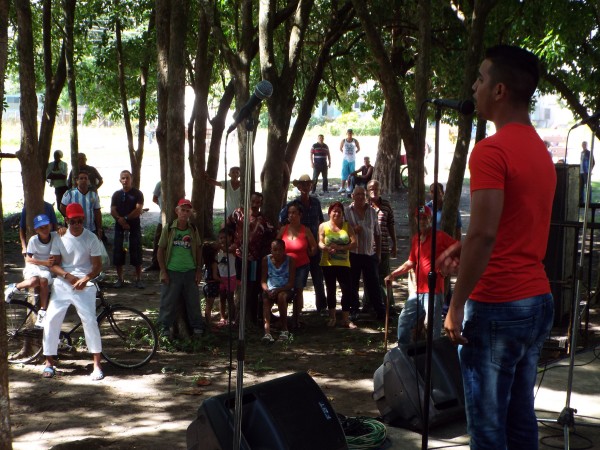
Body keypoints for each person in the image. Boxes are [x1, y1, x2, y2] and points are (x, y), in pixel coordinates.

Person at [442, 45, 556, 449]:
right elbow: (512, 225)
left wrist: (456, 307)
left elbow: (486, 234)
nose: (473, 87)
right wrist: (464, 243)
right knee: (520, 419)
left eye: (480, 79)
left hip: (499, 306)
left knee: (489, 430)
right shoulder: (540, 151)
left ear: (500, 91)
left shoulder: (490, 150)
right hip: (536, 300)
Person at [42, 203, 104, 380]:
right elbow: (54, 264)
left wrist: (85, 278)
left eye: (80, 221)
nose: (77, 224)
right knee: (52, 318)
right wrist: (67, 276)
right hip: (63, 283)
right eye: (73, 221)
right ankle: (49, 362)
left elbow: (97, 265)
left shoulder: (90, 237)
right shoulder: (59, 237)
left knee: (90, 320)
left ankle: (97, 364)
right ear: (67, 220)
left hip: (85, 284)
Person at [385, 206, 459, 344]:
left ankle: (434, 358)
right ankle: (404, 353)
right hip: (418, 290)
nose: (422, 220)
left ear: (430, 219)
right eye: (419, 218)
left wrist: (445, 263)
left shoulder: (440, 236)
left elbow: (458, 246)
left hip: (434, 290)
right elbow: (410, 262)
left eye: (425, 217)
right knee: (404, 321)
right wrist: (393, 274)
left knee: (432, 327)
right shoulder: (416, 239)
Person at [157, 198, 206, 338]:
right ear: (176, 211)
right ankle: (164, 329)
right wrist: (163, 271)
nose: (184, 213)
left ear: (190, 213)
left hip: (190, 272)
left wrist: (198, 270)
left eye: (187, 211)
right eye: (182, 210)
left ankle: (197, 329)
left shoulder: (192, 229)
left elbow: (198, 248)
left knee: (193, 302)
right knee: (168, 302)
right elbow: (160, 250)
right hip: (172, 272)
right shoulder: (169, 228)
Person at [279, 174, 327, 313]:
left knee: (318, 277)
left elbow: (321, 222)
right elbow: (282, 218)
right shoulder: (294, 205)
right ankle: (295, 311)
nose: (305, 187)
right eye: (303, 185)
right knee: (297, 282)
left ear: (311, 186)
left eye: (308, 185)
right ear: (299, 187)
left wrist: (320, 242)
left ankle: (321, 307)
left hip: (314, 246)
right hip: (299, 248)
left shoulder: (316, 203)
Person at [5, 214, 62, 329]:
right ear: (36, 230)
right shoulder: (33, 240)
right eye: (41, 228)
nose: (44, 230)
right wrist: (44, 262)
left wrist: (64, 229)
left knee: (44, 281)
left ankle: (42, 312)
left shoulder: (55, 236)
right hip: (35, 266)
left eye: (46, 226)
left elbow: (64, 232)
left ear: (50, 226)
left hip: (47, 269)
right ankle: (14, 286)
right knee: (33, 281)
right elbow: (28, 258)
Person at [227, 192, 276, 326]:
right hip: (238, 256)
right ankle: (237, 317)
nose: (255, 205)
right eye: (253, 201)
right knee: (238, 286)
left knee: (253, 288)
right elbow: (226, 225)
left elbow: (272, 234)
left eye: (258, 202)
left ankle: (253, 317)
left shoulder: (264, 220)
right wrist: (230, 243)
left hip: (254, 259)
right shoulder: (238, 213)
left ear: (261, 204)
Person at [344, 186, 386, 321]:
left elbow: (378, 234)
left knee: (374, 283)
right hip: (353, 254)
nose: (361, 197)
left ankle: (380, 311)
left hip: (369, 253)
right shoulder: (346, 212)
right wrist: (352, 231)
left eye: (363, 194)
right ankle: (354, 310)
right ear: (352, 196)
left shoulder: (372, 211)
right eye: (358, 194)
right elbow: (341, 234)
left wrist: (378, 253)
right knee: (352, 284)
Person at [277, 201, 317, 329]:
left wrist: (311, 252)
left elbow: (314, 246)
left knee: (298, 290)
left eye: (294, 213)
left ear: (300, 215)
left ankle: (296, 319)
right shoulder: (284, 229)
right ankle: (284, 319)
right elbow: (276, 245)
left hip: (301, 265)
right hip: (285, 267)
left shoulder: (306, 230)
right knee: (283, 291)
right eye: (289, 213)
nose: (291, 215)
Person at [318, 201, 358, 328]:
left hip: (344, 263)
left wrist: (341, 247)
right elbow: (320, 242)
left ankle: (345, 319)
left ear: (342, 214)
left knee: (347, 290)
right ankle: (332, 317)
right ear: (329, 213)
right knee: (331, 290)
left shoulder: (347, 226)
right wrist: (325, 247)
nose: (336, 213)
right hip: (328, 263)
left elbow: (354, 243)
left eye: (339, 211)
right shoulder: (323, 226)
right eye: (334, 211)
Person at [110, 170, 144, 288]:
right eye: (123, 178)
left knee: (136, 251)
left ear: (131, 179)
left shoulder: (137, 193)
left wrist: (126, 219)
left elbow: (138, 210)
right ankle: (120, 279)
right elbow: (113, 210)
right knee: (118, 252)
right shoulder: (116, 194)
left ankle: (138, 279)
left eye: (127, 178)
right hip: (120, 227)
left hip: (134, 226)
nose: (125, 180)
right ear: (120, 180)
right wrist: (120, 220)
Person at [366, 179, 398, 305]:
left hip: (384, 247)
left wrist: (394, 243)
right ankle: (368, 304)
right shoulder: (364, 205)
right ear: (368, 191)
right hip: (368, 249)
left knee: (384, 277)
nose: (374, 191)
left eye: (376, 188)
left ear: (380, 190)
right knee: (369, 277)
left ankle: (388, 305)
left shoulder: (386, 205)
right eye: (371, 189)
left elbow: (391, 224)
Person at [260, 239, 295, 343]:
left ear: (284, 250)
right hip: (270, 288)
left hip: (285, 288)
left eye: (280, 250)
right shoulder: (266, 260)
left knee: (281, 296)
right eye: (275, 250)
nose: (277, 252)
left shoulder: (290, 260)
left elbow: (291, 283)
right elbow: (263, 281)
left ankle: (284, 329)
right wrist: (267, 290)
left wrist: (279, 290)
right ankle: (267, 332)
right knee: (265, 299)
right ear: (271, 250)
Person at [60, 170, 103, 240]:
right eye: (81, 178)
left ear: (88, 181)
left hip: (91, 229)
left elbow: (97, 212)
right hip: (75, 229)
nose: (84, 180)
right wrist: (71, 219)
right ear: (77, 181)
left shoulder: (94, 195)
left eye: (86, 178)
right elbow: (62, 207)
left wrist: (99, 228)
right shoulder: (70, 194)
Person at [216, 227, 237, 326]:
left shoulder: (233, 247)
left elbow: (227, 250)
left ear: (230, 238)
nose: (222, 240)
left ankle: (231, 318)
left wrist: (219, 246)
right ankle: (222, 317)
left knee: (230, 297)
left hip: (231, 276)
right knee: (222, 297)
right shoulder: (218, 250)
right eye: (220, 238)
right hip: (221, 277)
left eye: (224, 238)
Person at [144, 180, 163, 272]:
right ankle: (155, 263)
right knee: (157, 241)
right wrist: (162, 206)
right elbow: (154, 198)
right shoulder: (160, 184)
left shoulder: (177, 182)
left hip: (174, 218)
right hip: (162, 219)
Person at [202, 241, 222, 326]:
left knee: (207, 305)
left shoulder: (206, 263)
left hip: (206, 285)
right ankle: (209, 323)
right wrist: (222, 280)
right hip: (212, 285)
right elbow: (215, 276)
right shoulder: (214, 263)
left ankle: (208, 322)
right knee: (209, 306)